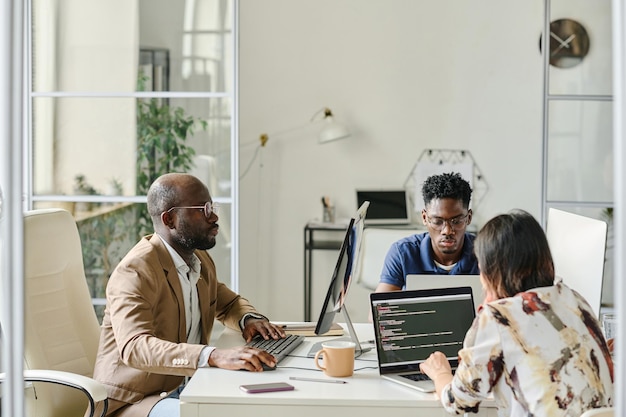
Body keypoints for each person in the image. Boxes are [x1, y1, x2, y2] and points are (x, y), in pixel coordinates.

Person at [92, 173, 286, 417]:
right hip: (136, 402)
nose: (214, 217)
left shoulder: (198, 259)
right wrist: (212, 355)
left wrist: (249, 320)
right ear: (170, 219)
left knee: (261, 404)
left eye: (212, 207)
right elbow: (135, 347)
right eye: (203, 209)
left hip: (189, 387)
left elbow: (229, 303)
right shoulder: (135, 272)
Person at [419, 210, 613, 416]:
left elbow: (458, 401)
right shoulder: (574, 300)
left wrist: (440, 373)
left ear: (490, 269)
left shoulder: (499, 317)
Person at [374, 172, 479, 292]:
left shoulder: (486, 253)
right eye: (437, 221)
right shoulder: (402, 253)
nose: (447, 231)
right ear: (424, 218)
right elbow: (380, 309)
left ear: (469, 218)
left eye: (456, 221)